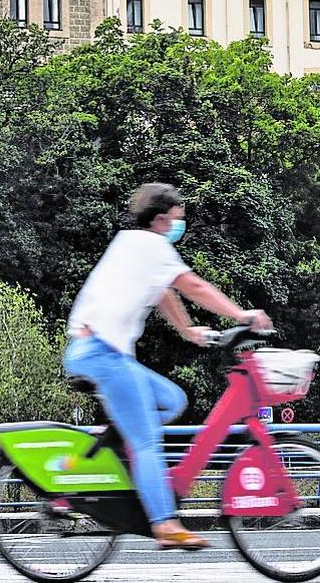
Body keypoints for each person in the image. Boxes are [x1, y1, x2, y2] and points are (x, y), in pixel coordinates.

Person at [64, 183, 272, 551]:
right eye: (178, 218)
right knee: (147, 439)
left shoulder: (136, 246)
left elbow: (163, 292)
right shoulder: (149, 245)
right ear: (161, 219)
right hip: (100, 354)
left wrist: (187, 330)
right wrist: (241, 314)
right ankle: (165, 523)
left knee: (172, 399)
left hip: (106, 353)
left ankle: (111, 449)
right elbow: (191, 285)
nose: (181, 224)